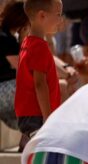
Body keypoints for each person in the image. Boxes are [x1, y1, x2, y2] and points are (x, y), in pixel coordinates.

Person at [15, 0, 62, 151]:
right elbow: (40, 84)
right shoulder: (39, 47)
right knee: (43, 151)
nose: (60, 19)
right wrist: (47, 118)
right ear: (42, 15)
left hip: (29, 114)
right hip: (37, 115)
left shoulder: (27, 42)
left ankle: (27, 140)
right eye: (58, 14)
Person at [0, 0, 28, 130]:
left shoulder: (8, 38)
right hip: (3, 90)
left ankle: (28, 135)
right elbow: (23, 67)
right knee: (38, 88)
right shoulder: (5, 39)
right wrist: (24, 39)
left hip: (5, 90)